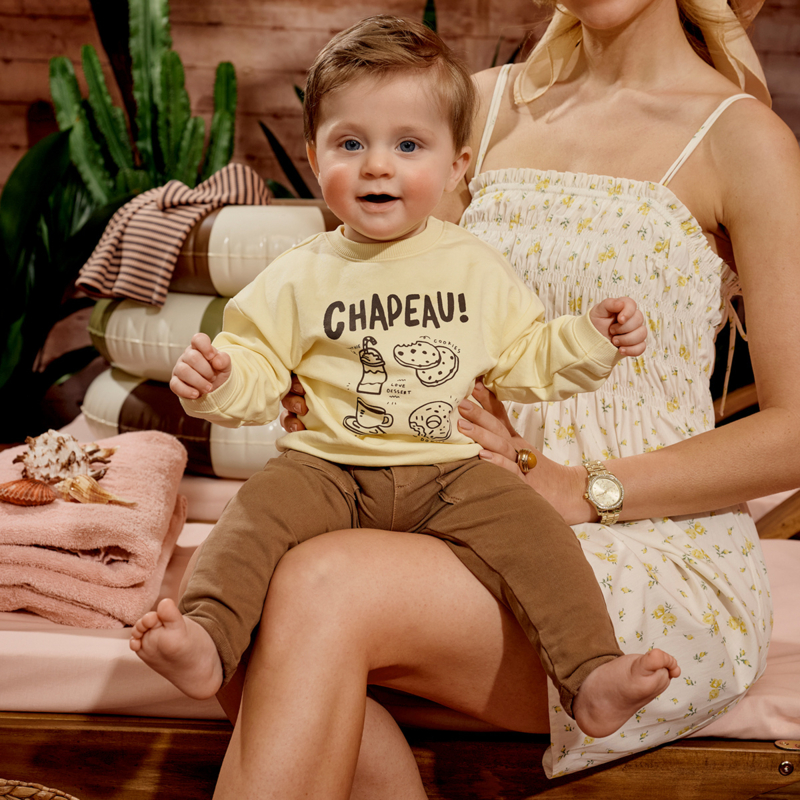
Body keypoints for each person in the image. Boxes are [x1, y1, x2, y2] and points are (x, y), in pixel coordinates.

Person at [226, 0, 799, 796]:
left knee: (321, 585)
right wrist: (321, 380)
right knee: (229, 603)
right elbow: (392, 294)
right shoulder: (478, 104)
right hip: (452, 502)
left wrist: (580, 487)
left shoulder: (741, 139)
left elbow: (793, 431)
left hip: (645, 550)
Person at [129, 15, 678, 742]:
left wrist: (592, 338)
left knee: (540, 536)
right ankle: (207, 638)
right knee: (250, 519)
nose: (377, 167)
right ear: (314, 156)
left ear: (457, 167)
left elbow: (524, 356)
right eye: (350, 144)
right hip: (328, 468)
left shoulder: (474, 265)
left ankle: (591, 671)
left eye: (408, 145)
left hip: (451, 471)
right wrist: (220, 379)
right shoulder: (298, 274)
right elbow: (259, 368)